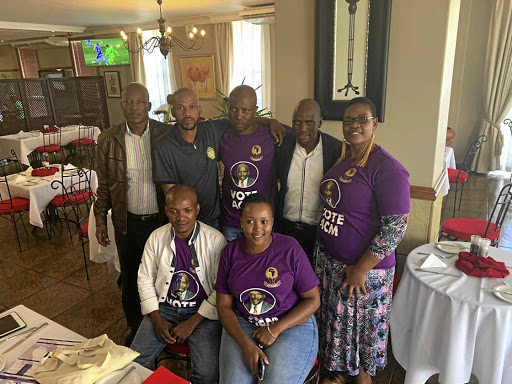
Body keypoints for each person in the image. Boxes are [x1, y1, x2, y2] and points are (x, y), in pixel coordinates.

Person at [316, 97, 410, 384]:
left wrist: (361, 269)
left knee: (361, 338)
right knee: (340, 334)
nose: (354, 125)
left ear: (374, 123)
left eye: (362, 119)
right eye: (348, 120)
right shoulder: (345, 160)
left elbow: (396, 226)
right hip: (333, 266)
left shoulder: (388, 169)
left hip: (364, 273)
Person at [215, 193, 320, 383]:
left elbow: (313, 299)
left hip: (290, 322)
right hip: (245, 322)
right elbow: (223, 306)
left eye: (264, 221)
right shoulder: (230, 252)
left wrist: (275, 329)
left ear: (272, 222)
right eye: (250, 221)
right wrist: (246, 346)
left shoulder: (290, 249)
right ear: (240, 221)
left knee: (274, 380)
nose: (257, 229)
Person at [94, 83, 168, 346]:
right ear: (122, 104)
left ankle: (163, 321)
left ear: (149, 106)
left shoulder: (165, 134)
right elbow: (104, 184)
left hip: (162, 221)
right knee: (131, 275)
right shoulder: (108, 139)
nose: (135, 106)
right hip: (128, 222)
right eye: (129, 101)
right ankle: (134, 324)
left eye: (140, 102)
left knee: (163, 274)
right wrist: (100, 219)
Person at [153, 87, 285, 230]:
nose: (187, 113)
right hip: (185, 222)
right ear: (172, 111)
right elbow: (170, 195)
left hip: (213, 220)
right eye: (180, 108)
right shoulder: (163, 146)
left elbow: (242, 119)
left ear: (199, 110)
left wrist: (271, 121)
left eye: (192, 107)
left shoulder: (212, 129)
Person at [131, 185, 226, 382]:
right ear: (166, 211)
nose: (180, 218)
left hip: (203, 313)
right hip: (163, 309)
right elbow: (145, 278)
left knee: (207, 375)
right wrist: (156, 319)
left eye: (187, 210)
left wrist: (192, 322)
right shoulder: (156, 238)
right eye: (173, 211)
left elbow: (221, 288)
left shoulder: (215, 240)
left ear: (197, 209)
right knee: (131, 362)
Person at [276, 98, 341, 262]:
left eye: (310, 122)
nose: (303, 128)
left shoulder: (336, 150)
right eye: (297, 122)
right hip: (285, 229)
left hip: (319, 232)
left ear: (320, 123)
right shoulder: (282, 146)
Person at [220, 85, 289, 240]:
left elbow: (304, 135)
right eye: (233, 109)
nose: (238, 115)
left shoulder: (271, 133)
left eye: (246, 110)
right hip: (231, 222)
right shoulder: (222, 133)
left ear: (255, 109)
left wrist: (271, 121)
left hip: (262, 224)